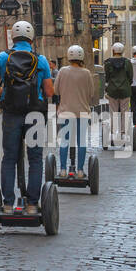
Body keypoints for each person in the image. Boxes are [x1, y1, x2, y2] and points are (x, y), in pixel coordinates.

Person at [0, 21, 53, 212]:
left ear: (13, 38)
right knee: (35, 159)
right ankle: (32, 204)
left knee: (9, 157)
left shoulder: (3, 57)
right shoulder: (40, 60)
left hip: (11, 113)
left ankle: (8, 204)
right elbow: (49, 91)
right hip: (35, 114)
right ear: (32, 38)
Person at [53, 45, 96, 177]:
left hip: (65, 111)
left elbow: (55, 90)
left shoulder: (62, 71)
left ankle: (63, 170)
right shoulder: (87, 73)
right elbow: (92, 93)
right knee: (81, 142)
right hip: (82, 112)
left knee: (64, 141)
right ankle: (80, 170)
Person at [102, 43, 133, 146]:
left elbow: (107, 77)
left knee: (113, 112)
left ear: (113, 51)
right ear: (122, 51)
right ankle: (124, 133)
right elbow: (130, 77)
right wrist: (127, 83)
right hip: (125, 90)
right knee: (125, 112)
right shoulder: (127, 62)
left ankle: (113, 133)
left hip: (112, 90)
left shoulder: (108, 63)